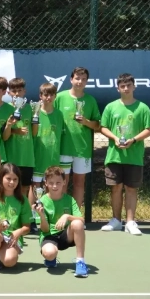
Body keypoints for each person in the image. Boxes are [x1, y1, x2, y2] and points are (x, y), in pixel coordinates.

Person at [99, 73, 150, 236]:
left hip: (134, 156)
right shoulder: (111, 107)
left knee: (131, 189)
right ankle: (116, 221)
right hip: (114, 156)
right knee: (116, 188)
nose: (126, 88)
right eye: (122, 86)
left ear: (134, 86)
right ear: (118, 88)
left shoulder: (142, 108)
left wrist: (134, 140)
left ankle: (130, 222)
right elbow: (103, 127)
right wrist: (115, 138)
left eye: (128, 85)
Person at [55, 67, 101, 211]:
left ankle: (75, 215)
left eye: (83, 79)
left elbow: (97, 125)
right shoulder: (59, 97)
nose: (80, 81)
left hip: (82, 149)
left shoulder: (90, 100)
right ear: (71, 79)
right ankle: (60, 214)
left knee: (79, 183)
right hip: (63, 148)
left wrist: (86, 122)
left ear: (87, 81)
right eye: (77, 78)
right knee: (62, 182)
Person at [35, 166, 88, 277]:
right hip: (49, 235)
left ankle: (80, 262)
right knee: (49, 253)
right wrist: (42, 215)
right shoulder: (42, 201)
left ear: (64, 182)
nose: (54, 186)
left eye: (58, 182)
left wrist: (67, 216)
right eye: (51, 183)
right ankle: (51, 258)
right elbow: (44, 229)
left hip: (66, 235)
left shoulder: (69, 199)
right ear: (46, 183)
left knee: (77, 223)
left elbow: (82, 220)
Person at [1, 78, 35, 200]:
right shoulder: (5, 109)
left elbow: (34, 133)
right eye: (13, 91)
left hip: (27, 157)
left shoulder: (31, 108)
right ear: (9, 92)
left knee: (25, 188)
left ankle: (23, 211)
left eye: (19, 90)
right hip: (11, 157)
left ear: (24, 91)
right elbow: (4, 137)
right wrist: (15, 130)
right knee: (9, 188)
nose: (16, 94)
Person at [31, 82, 63, 199]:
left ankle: (48, 209)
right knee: (35, 186)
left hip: (53, 157)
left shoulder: (59, 114)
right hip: (37, 156)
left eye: (51, 95)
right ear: (40, 96)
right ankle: (32, 210)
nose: (48, 97)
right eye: (45, 95)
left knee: (51, 185)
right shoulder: (35, 112)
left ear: (55, 96)